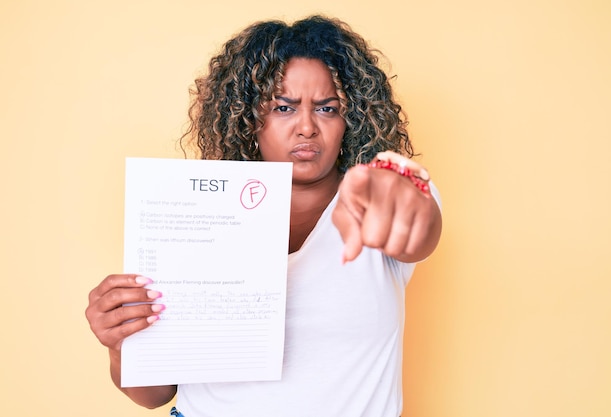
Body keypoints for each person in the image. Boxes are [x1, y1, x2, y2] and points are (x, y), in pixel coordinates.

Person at [85, 14, 442, 417]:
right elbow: (154, 394)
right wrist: (120, 342)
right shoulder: (194, 212)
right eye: (283, 107)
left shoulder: (380, 196)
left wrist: (409, 197)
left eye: (327, 108)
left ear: (351, 118)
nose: (307, 127)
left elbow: (416, 232)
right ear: (248, 119)